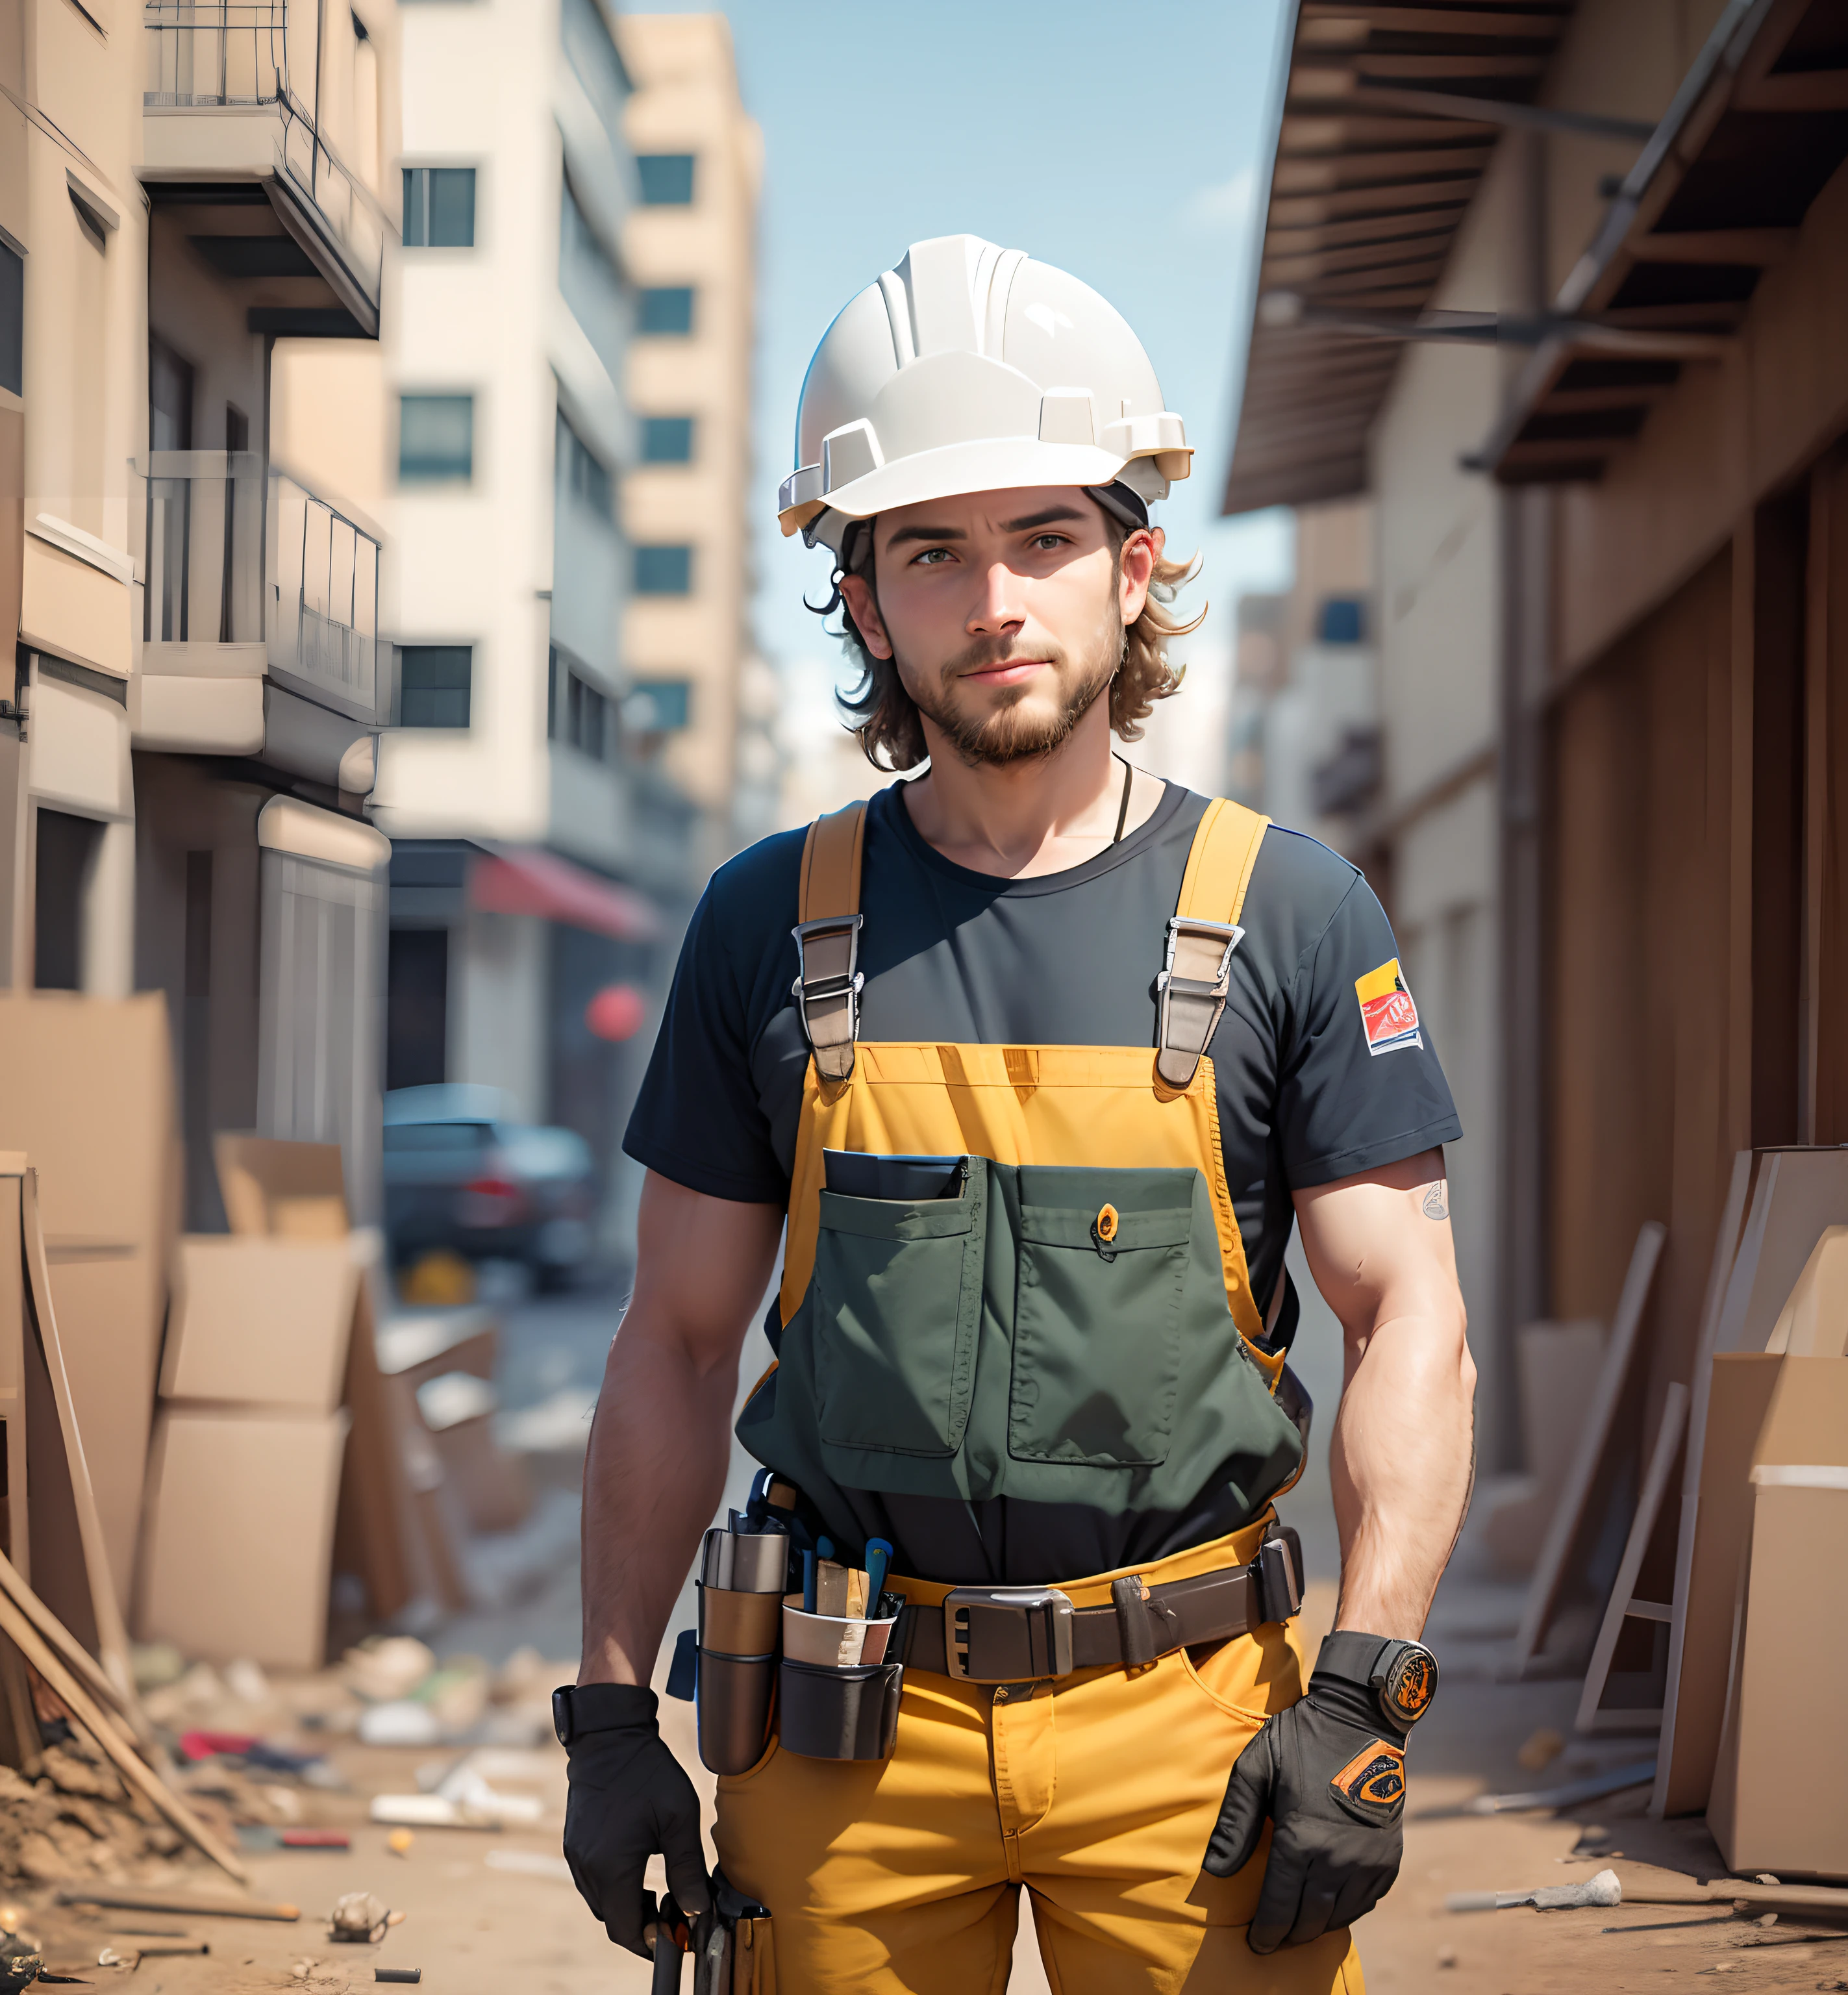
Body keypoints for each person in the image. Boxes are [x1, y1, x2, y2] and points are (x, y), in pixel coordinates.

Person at [558, 234, 1475, 1994]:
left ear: (1134, 569)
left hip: (1200, 1728)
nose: (995, 600)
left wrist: (1365, 1693)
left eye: (1044, 539)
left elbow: (1406, 1313)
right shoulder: (768, 922)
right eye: (930, 551)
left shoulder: (1291, 911)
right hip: (841, 1735)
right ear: (864, 599)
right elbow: (672, 1343)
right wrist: (608, 1713)